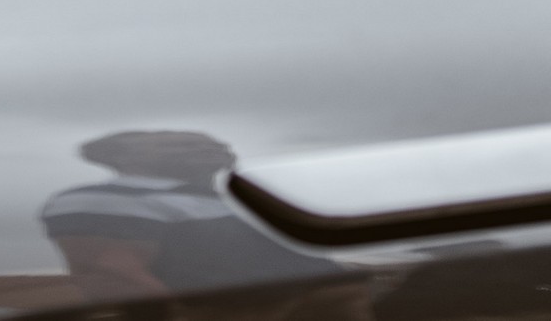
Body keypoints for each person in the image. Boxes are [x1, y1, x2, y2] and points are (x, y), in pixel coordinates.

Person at [41, 131, 360, 308]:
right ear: (120, 157)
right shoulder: (107, 199)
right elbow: (111, 276)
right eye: (179, 144)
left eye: (212, 143)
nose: (207, 147)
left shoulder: (233, 199)